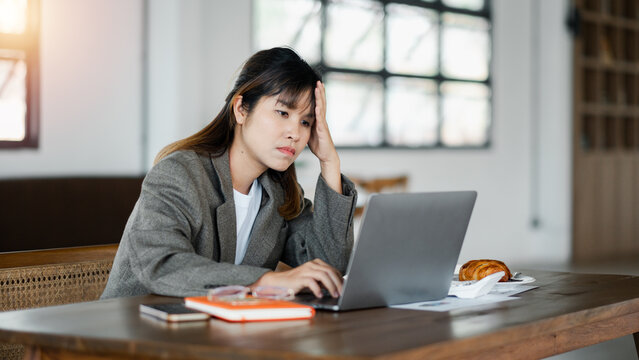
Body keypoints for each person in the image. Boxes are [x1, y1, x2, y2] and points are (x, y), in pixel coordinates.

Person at [101, 47, 356, 300]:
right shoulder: (179, 174)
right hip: (136, 330)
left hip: (214, 333)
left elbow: (329, 265)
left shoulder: (279, 193)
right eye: (283, 113)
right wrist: (262, 281)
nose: (296, 133)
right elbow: (160, 264)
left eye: (306, 122)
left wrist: (329, 161)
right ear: (241, 109)